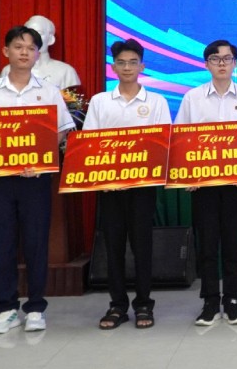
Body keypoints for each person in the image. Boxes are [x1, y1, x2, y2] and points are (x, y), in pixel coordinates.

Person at [0, 26, 76, 334]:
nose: (25, 52)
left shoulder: (49, 91)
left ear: (37, 54)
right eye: (18, 46)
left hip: (34, 179)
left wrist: (40, 157)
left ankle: (36, 307)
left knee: (36, 243)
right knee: (2, 244)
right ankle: (6, 308)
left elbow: (62, 129)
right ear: (6, 52)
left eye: (30, 48)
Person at [175, 40, 237, 326]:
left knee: (233, 244)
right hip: (203, 187)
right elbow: (181, 138)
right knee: (208, 245)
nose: (222, 63)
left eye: (227, 58)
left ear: (235, 64)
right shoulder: (193, 97)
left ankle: (233, 300)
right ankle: (210, 302)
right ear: (206, 64)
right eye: (216, 59)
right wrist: (188, 176)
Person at [83, 39, 171, 330]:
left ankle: (144, 303)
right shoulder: (99, 101)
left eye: (133, 62)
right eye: (121, 62)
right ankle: (117, 305)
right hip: (109, 188)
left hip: (144, 188)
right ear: (113, 67)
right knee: (114, 246)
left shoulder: (156, 102)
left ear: (142, 67)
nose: (127, 67)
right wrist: (104, 178)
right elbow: (90, 146)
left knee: (143, 246)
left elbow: (163, 145)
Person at [0, 15, 81, 89]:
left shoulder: (66, 71)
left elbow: (75, 103)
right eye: (30, 33)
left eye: (40, 33)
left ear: (50, 39)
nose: (35, 38)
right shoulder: (8, 70)